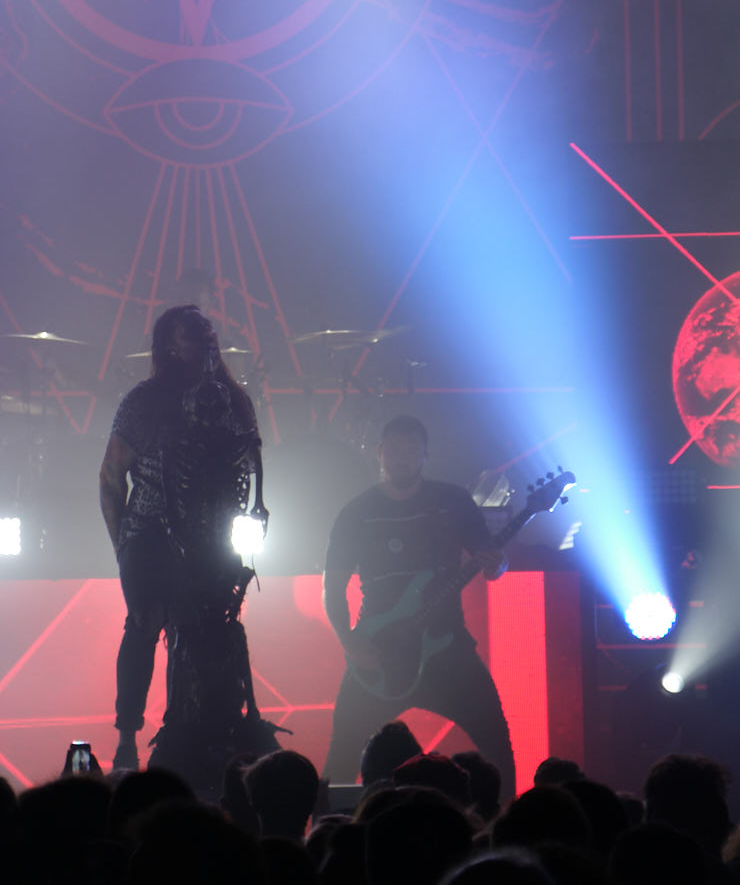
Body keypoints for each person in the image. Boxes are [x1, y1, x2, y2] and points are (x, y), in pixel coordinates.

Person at [98, 302, 274, 778]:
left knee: (210, 630)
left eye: (206, 332)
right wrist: (124, 546)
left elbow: (252, 461)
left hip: (213, 534)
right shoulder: (145, 402)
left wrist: (252, 512)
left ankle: (205, 732)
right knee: (144, 623)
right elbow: (112, 477)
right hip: (151, 531)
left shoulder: (234, 401)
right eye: (190, 334)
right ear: (170, 345)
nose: (203, 341)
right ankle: (127, 737)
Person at [320, 416, 514, 788]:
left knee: (498, 747)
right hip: (380, 650)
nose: (402, 458)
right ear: (379, 453)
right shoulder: (357, 512)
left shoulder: (453, 501)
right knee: (341, 756)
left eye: (411, 451)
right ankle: (327, 823)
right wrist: (350, 643)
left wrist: (499, 564)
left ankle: (506, 819)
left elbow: (490, 560)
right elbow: (333, 586)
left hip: (448, 647)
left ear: (425, 455)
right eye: (394, 450)